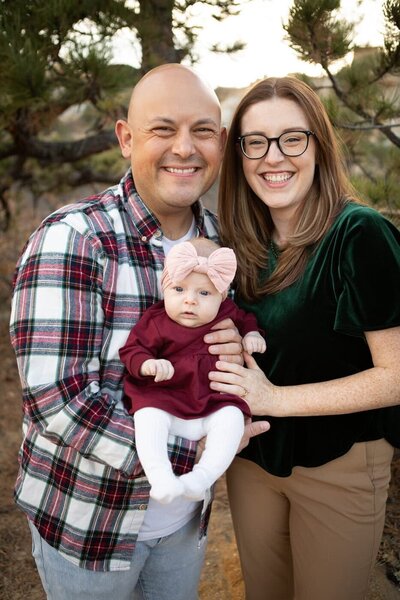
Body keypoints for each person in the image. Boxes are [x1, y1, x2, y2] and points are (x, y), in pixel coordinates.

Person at [9, 64, 270, 600]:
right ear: (126, 138)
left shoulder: (222, 246)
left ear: (220, 144)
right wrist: (196, 451)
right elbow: (58, 401)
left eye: (202, 131)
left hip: (183, 526)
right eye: (162, 129)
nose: (185, 148)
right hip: (89, 524)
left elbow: (229, 354)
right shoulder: (75, 239)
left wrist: (238, 362)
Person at [209, 76, 400, 600]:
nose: (274, 157)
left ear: (318, 144)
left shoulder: (358, 234)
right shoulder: (240, 244)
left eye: (292, 138)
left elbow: (397, 375)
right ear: (240, 155)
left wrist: (274, 398)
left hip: (338, 463)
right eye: (256, 142)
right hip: (252, 465)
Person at [120, 237, 266, 504]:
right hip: (166, 399)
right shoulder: (156, 321)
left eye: (203, 293)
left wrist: (251, 334)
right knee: (147, 417)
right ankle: (160, 476)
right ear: (165, 287)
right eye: (179, 289)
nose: (190, 301)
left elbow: (246, 320)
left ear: (222, 297)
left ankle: (201, 479)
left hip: (211, 402)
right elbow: (132, 350)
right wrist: (147, 364)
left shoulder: (226, 315)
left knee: (233, 417)